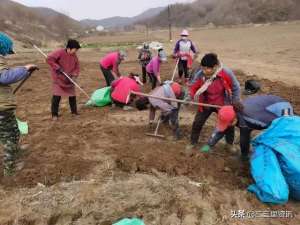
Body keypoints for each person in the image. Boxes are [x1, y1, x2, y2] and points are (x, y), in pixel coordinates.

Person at [201, 95, 294, 161]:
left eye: (228, 123)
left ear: (234, 119)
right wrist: (208, 145)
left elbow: (272, 128)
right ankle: (244, 157)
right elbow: (220, 130)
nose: (227, 126)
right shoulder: (233, 111)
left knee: (281, 137)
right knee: (244, 134)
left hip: (280, 108)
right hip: (263, 106)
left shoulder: (254, 119)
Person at [0, 32, 38, 176]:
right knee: (9, 137)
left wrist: (25, 72)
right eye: (5, 51)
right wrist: (25, 68)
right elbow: (4, 77)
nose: (6, 55)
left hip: (3, 107)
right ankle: (10, 170)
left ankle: (16, 150)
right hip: (1, 109)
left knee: (14, 130)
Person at [186, 53, 241, 151]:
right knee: (197, 122)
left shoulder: (226, 73)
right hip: (206, 102)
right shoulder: (200, 73)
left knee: (228, 124)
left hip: (222, 104)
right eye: (202, 68)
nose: (204, 71)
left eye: (207, 69)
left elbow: (236, 87)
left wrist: (235, 102)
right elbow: (193, 86)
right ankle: (193, 142)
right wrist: (190, 96)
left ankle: (229, 144)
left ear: (215, 67)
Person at [46, 39, 81, 120]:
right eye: (75, 50)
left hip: (69, 79)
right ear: (69, 48)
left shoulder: (74, 56)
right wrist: (57, 67)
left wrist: (74, 76)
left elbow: (77, 67)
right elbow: (49, 59)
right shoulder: (59, 52)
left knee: (72, 96)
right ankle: (54, 114)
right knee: (57, 96)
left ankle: (74, 112)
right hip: (58, 79)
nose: (75, 52)